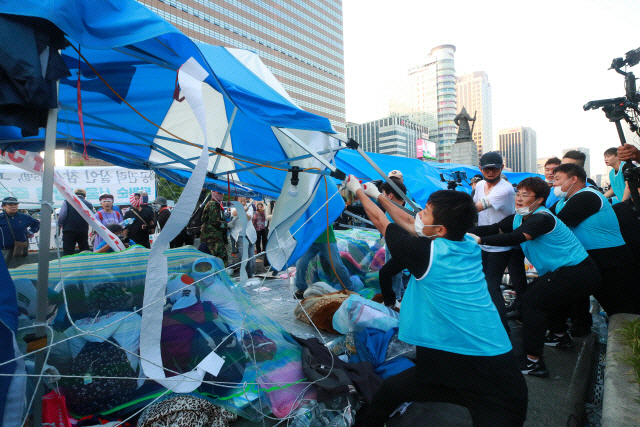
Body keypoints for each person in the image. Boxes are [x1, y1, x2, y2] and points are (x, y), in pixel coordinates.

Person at [344, 176, 528, 427]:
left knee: (396, 389)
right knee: (394, 389)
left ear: (440, 230)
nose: (419, 214)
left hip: (489, 372)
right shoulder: (466, 240)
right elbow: (410, 222)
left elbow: (380, 221)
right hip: (449, 358)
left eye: (426, 212)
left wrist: (359, 192)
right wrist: (378, 195)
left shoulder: (428, 254)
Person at [469, 177, 602, 377]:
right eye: (518, 194)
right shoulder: (517, 218)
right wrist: (459, 232)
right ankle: (560, 337)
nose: (519, 199)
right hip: (566, 272)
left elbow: (515, 237)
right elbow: (491, 228)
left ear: (539, 200)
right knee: (544, 298)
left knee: (531, 302)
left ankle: (533, 362)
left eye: (525, 195)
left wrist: (479, 240)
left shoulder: (543, 218)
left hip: (579, 272)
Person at [550, 163, 640, 318]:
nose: (554, 184)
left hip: (610, 261)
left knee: (623, 310)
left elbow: (555, 223)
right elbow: (544, 217)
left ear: (573, 179)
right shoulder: (562, 202)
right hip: (590, 260)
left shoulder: (588, 196)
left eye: (558, 179)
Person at [473, 151, 517, 332]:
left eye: (495, 168)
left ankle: (502, 328)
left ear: (502, 168)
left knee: (492, 284)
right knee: (482, 282)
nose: (491, 172)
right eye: (487, 169)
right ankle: (487, 319)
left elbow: (476, 207)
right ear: (480, 169)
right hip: (483, 240)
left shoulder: (504, 188)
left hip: (500, 242)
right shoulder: (480, 185)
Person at [293, 224, 356, 299]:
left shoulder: (326, 211)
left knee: (337, 265)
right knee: (301, 263)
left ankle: (350, 289)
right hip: (310, 240)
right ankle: (301, 288)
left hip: (327, 239)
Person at [379, 179, 410, 302]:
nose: (382, 197)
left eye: (383, 194)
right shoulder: (389, 209)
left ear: (390, 196)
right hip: (390, 241)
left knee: (392, 273)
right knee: (390, 271)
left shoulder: (411, 210)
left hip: (403, 246)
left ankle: (396, 298)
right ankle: (400, 292)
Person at [0, 197, 40, 268]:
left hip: (20, 246)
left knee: (23, 266)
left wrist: (30, 232)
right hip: (4, 248)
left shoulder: (24, 217)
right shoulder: (1, 217)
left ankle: (25, 278)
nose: (13, 206)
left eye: (15, 204)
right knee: (2, 268)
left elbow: (37, 223)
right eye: (10, 204)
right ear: (3, 206)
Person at [58, 189, 94, 256]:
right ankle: (85, 265)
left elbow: (62, 215)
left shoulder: (67, 201)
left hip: (69, 230)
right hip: (83, 230)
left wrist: (60, 224)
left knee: (68, 251)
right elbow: (91, 217)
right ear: (84, 196)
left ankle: (68, 265)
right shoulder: (89, 204)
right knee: (84, 250)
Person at [228, 197, 257, 277]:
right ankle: (244, 274)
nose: (243, 202)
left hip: (250, 234)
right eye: (241, 201)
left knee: (251, 255)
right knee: (243, 255)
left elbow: (249, 218)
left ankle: (251, 273)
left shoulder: (249, 206)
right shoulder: (234, 205)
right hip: (240, 234)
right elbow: (234, 213)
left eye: (244, 201)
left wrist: (245, 211)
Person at [200, 191, 229, 266]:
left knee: (208, 256)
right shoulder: (213, 204)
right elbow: (214, 221)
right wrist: (224, 225)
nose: (221, 195)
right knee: (222, 255)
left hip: (211, 235)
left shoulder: (215, 203)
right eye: (219, 193)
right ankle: (221, 274)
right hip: (212, 235)